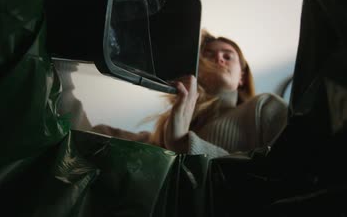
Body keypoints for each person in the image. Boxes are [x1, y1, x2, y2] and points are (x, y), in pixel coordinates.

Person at [90, 29, 289, 159]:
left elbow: (279, 176)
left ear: (242, 78)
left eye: (228, 56)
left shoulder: (264, 107)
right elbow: (102, 136)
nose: (219, 58)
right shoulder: (175, 123)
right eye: (208, 54)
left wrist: (182, 142)